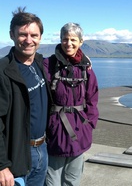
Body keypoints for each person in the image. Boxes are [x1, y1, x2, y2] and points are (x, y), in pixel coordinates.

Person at [0, 7, 51, 186]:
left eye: (34, 35)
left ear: (40, 38)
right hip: (16, 156)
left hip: (42, 149)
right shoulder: (4, 71)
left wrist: (84, 60)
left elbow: (67, 57)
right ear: (12, 35)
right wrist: (2, 166)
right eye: (23, 34)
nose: (29, 40)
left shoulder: (40, 63)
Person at [43, 22, 99, 186]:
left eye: (73, 39)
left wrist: (89, 124)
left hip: (79, 131)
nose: (69, 43)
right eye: (65, 39)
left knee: (72, 180)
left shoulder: (86, 69)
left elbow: (92, 100)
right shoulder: (48, 65)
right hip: (55, 131)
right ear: (60, 40)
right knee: (51, 180)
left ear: (81, 42)